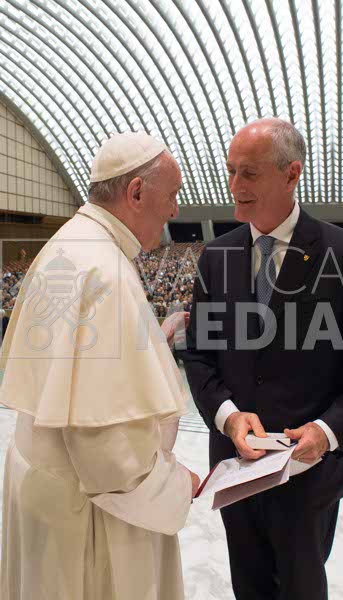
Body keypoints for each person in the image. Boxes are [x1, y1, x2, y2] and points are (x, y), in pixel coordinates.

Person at [183, 118, 343, 600]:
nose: (235, 185)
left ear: (291, 174)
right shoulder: (216, 257)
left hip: (307, 475)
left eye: (249, 173)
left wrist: (327, 432)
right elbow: (198, 357)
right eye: (231, 171)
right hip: (236, 467)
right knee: (249, 588)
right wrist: (228, 416)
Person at [0, 132, 200, 600]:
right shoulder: (106, 270)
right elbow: (111, 458)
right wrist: (175, 484)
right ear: (136, 192)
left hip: (44, 480)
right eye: (172, 195)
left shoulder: (70, 243)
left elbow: (79, 362)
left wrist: (153, 339)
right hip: (85, 512)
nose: (175, 211)